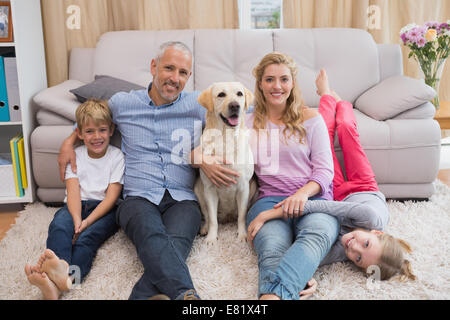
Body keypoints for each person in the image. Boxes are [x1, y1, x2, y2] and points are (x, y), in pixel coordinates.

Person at [57, 41, 238, 300]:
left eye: (183, 73)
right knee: (150, 234)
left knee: (176, 241)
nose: (175, 78)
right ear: (153, 67)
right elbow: (89, 123)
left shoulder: (198, 104)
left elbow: (248, 112)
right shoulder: (122, 103)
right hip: (137, 198)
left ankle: (142, 296)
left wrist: (202, 154)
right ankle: (187, 296)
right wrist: (67, 143)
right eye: (169, 68)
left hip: (183, 199)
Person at [248, 69, 416, 295]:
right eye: (365, 244)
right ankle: (332, 98)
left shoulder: (348, 248)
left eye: (357, 258)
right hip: (362, 186)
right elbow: (319, 206)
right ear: (375, 233)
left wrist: (306, 276)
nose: (353, 247)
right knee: (345, 129)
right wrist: (268, 214)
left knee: (324, 139)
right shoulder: (372, 218)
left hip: (334, 191)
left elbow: (310, 251)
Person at [244, 52, 340, 300]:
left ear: (293, 83)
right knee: (272, 248)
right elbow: (217, 141)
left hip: (314, 200)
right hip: (269, 200)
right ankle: (287, 286)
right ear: (260, 84)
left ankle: (273, 297)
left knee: (316, 235)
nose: (277, 86)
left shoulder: (312, 119)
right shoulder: (247, 122)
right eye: (269, 80)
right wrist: (200, 155)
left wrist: (301, 194)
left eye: (284, 79)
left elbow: (325, 171)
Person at [25, 99, 124, 300]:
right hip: (75, 205)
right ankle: (58, 279)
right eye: (89, 132)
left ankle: (67, 281)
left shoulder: (117, 157)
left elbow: (111, 198)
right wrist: (77, 219)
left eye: (102, 130)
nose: (96, 137)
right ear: (79, 133)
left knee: (86, 240)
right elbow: (73, 192)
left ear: (111, 130)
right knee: (60, 227)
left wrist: (87, 222)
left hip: (105, 209)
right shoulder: (75, 155)